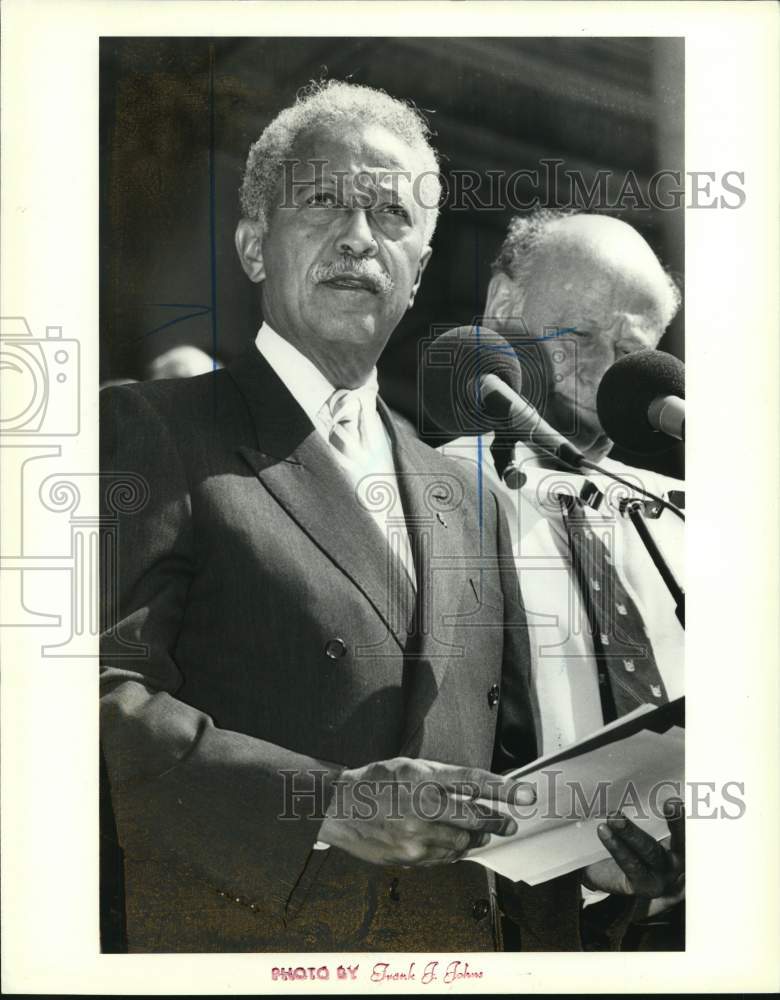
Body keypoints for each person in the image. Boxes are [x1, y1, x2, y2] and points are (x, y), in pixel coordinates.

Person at [100, 79, 543, 954]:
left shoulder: (469, 494)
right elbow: (90, 702)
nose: (357, 239)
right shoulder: (151, 430)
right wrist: (324, 804)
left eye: (391, 217)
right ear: (255, 245)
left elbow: (504, 759)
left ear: (418, 270)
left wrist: (598, 851)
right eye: (324, 203)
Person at [440, 209, 686, 950]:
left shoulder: (689, 518)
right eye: (578, 335)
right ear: (502, 312)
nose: (606, 367)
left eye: (632, 349)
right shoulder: (425, 495)